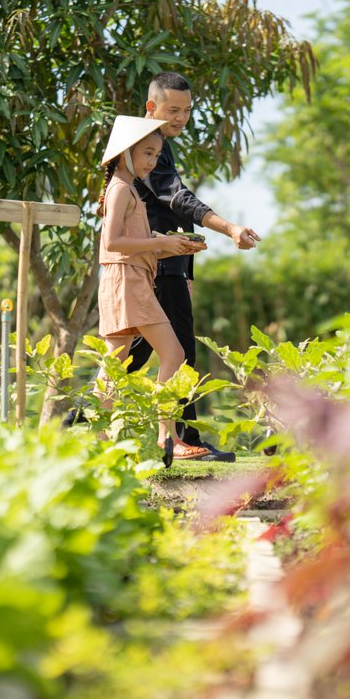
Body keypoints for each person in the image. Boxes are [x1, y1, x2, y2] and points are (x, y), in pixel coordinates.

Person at [126, 71, 261, 463]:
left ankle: (80, 421)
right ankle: (183, 440)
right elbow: (176, 198)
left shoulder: (159, 146)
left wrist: (185, 271)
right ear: (151, 108)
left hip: (169, 265)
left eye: (186, 110)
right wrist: (229, 227)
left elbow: (168, 207)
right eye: (172, 110)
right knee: (179, 351)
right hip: (156, 264)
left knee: (134, 354)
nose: (181, 118)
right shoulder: (145, 147)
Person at [94, 114, 207, 465]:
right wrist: (161, 246)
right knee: (172, 354)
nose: (152, 162)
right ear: (125, 152)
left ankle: (98, 441)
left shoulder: (122, 188)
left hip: (125, 279)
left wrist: (169, 244)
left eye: (156, 155)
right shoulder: (122, 190)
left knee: (113, 364)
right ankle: (166, 436)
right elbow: (113, 242)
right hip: (128, 280)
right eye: (146, 153)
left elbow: (128, 241)